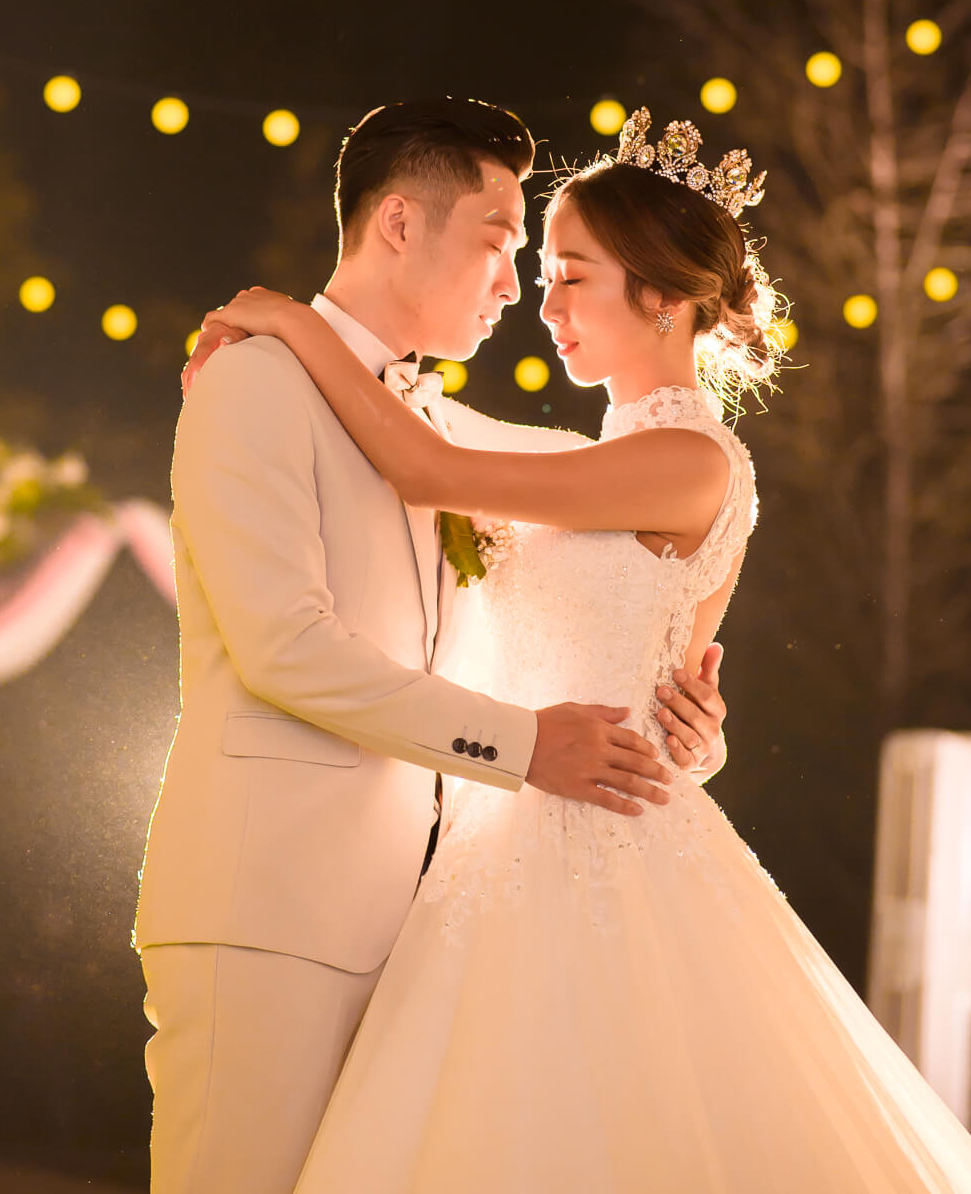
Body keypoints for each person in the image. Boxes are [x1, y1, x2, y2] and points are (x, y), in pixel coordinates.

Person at [200, 108, 971, 1193]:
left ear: (666, 299)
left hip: (593, 843)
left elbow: (428, 469)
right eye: (538, 267)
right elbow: (434, 436)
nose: (541, 300)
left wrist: (285, 321)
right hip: (503, 838)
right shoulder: (593, 455)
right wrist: (694, 733)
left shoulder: (686, 458)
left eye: (570, 273)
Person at [133, 99, 730, 1194]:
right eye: (505, 245)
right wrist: (524, 744)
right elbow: (285, 649)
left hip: (424, 927)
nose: (516, 288)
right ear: (399, 223)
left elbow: (602, 585)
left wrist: (678, 727)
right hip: (270, 908)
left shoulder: (430, 428)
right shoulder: (258, 383)